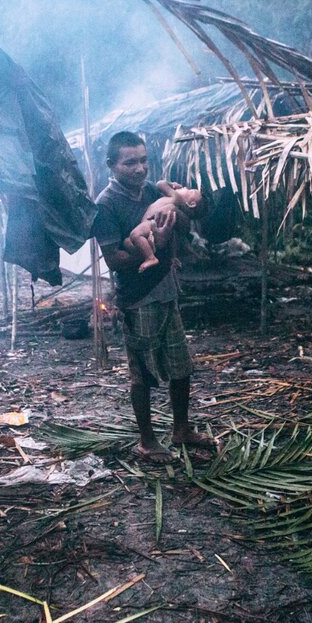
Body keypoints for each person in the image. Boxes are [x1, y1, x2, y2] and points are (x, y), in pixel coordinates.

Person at [93, 131, 212, 463]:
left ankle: (182, 428)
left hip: (166, 289)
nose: (139, 168)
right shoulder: (105, 205)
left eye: (143, 160)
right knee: (142, 373)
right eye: (130, 162)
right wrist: (154, 247)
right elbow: (114, 259)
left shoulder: (151, 191)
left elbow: (187, 223)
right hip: (137, 296)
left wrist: (181, 204)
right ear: (111, 165)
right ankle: (147, 441)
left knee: (180, 366)